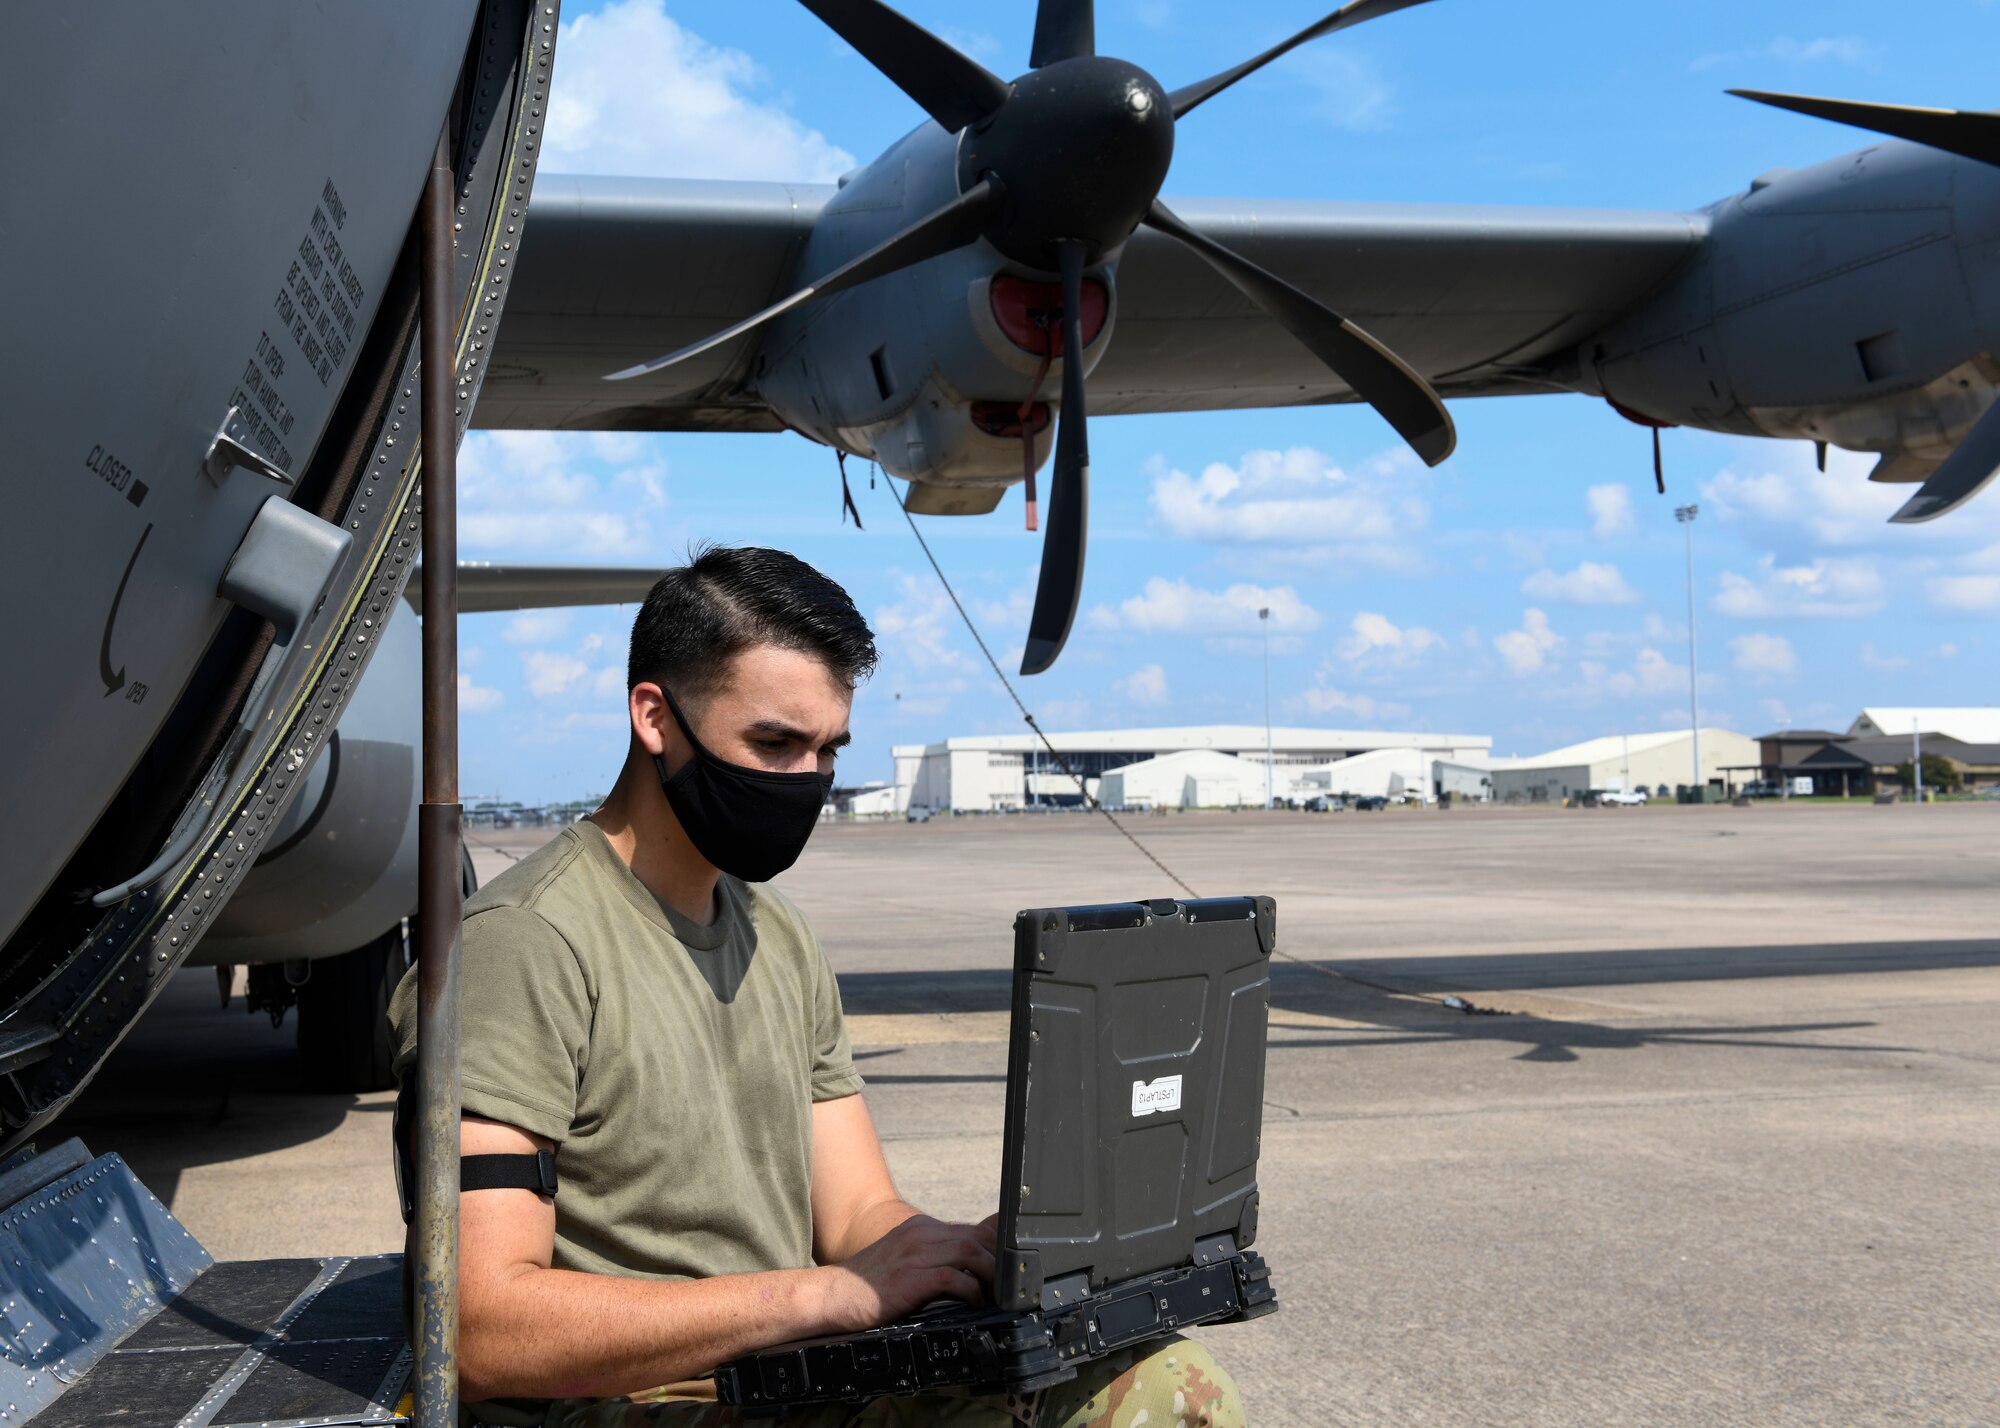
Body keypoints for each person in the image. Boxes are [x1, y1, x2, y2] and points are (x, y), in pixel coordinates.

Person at [389, 546, 1243, 1427]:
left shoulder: (776, 933)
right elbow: (479, 1330)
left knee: (1148, 1369)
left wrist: (967, 1254)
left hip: (789, 1371)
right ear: (655, 716)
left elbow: (859, 1213)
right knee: (1153, 1403)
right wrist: (822, 1296)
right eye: (773, 743)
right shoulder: (525, 946)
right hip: (631, 1397)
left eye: (827, 749)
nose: (805, 782)